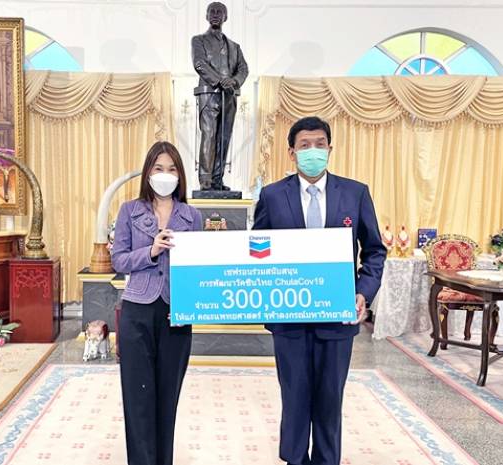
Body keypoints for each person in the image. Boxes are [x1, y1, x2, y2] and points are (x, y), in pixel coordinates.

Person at [252, 116, 386, 465]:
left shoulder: (355, 193)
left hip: (337, 317)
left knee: (329, 399)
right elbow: (256, 250)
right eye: (304, 145)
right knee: (294, 397)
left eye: (319, 144)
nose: (313, 151)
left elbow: (374, 251)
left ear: (330, 149)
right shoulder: (272, 196)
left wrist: (363, 292)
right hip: (288, 317)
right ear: (291, 152)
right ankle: (294, 460)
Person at [111, 141, 203, 465]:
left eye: (172, 169)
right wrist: (150, 251)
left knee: (167, 399)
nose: (165, 175)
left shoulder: (192, 216)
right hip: (137, 311)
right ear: (148, 172)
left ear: (180, 175)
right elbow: (119, 260)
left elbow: (198, 267)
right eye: (159, 168)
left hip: (177, 314)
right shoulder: (129, 211)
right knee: (138, 399)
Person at [191, 1, 248, 191]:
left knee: (224, 137)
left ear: (226, 17)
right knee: (209, 135)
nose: (215, 14)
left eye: (219, 12)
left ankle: (217, 179)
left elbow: (243, 68)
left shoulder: (234, 46)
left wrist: (234, 81)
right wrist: (219, 80)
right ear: (207, 16)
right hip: (209, 94)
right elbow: (199, 63)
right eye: (212, 12)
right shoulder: (198, 40)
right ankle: (205, 180)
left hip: (229, 95)